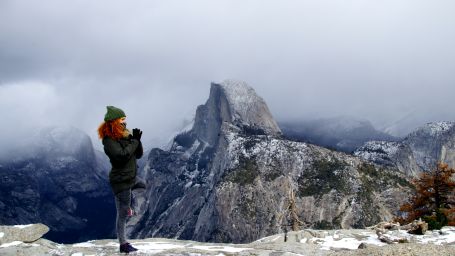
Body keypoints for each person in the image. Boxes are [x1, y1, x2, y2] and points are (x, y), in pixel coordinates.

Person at [98, 105, 146, 253]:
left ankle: (131, 208)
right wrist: (134, 142)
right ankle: (123, 244)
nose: (124, 122)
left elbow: (137, 155)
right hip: (121, 181)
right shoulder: (109, 140)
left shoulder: (124, 135)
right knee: (122, 214)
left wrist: (137, 140)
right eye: (121, 119)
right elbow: (122, 156)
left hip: (130, 177)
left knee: (143, 185)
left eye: (124, 119)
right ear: (114, 121)